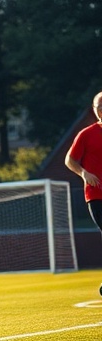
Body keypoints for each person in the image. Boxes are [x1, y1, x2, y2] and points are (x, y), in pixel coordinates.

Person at [64, 90, 102, 296]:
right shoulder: (86, 135)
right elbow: (70, 160)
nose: (101, 111)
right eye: (99, 108)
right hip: (96, 195)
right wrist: (84, 172)